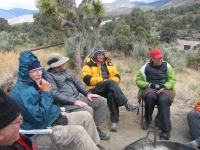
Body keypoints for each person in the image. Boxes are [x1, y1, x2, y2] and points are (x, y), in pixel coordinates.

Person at [10, 50, 107, 150]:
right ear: (26, 73)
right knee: (79, 132)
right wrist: (46, 93)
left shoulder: (36, 82)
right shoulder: (22, 92)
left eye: (39, 69)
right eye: (33, 71)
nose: (38, 73)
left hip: (55, 117)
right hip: (44, 129)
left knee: (86, 116)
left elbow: (77, 82)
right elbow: (40, 119)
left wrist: (88, 93)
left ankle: (94, 145)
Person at [46, 52, 110, 141]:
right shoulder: (49, 76)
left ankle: (96, 128)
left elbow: (77, 83)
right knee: (88, 109)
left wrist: (87, 93)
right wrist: (73, 101)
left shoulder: (66, 70)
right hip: (66, 103)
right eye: (62, 63)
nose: (64, 63)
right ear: (56, 65)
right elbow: (55, 95)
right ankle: (88, 135)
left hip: (77, 97)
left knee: (101, 101)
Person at [81, 45, 140, 132]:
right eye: (99, 55)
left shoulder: (109, 63)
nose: (101, 56)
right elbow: (87, 80)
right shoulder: (89, 64)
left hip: (107, 88)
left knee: (111, 94)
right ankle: (126, 103)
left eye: (102, 54)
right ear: (95, 55)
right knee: (110, 83)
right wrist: (102, 80)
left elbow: (117, 76)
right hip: (94, 89)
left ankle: (114, 121)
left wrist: (109, 81)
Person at [135, 48, 176, 140]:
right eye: (158, 58)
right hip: (150, 88)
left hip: (165, 88)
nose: (160, 59)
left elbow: (172, 80)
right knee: (150, 97)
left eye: (161, 57)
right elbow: (138, 81)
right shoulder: (145, 67)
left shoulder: (167, 66)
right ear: (152, 58)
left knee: (163, 99)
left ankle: (165, 130)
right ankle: (148, 119)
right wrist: (149, 84)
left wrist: (165, 87)